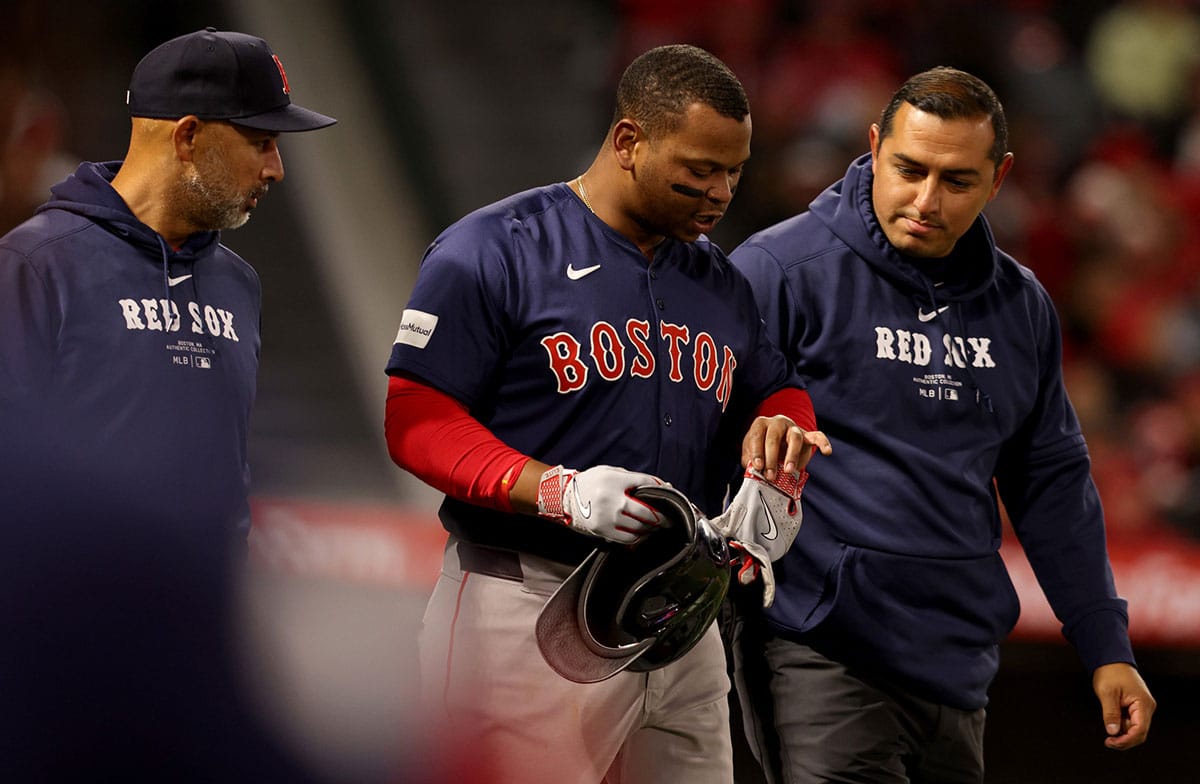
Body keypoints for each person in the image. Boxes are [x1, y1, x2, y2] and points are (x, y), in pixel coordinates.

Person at [383, 44, 830, 783]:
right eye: (700, 168)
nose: (721, 192)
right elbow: (416, 419)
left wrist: (778, 458)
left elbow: (774, 390)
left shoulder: (718, 280)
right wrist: (553, 489)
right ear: (629, 141)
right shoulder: (493, 249)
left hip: (680, 612)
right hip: (523, 603)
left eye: (735, 169)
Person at [726, 66, 1156, 783]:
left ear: (1000, 178)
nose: (926, 200)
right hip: (820, 652)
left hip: (957, 666)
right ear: (873, 145)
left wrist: (1106, 645)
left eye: (956, 181)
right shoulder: (779, 271)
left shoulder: (1021, 307)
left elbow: (1050, 483)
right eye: (909, 169)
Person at [0, 27, 335, 782]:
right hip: (67, 654)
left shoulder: (240, 283)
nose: (277, 169)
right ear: (187, 136)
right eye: (261, 141)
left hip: (205, 641)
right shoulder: (36, 263)